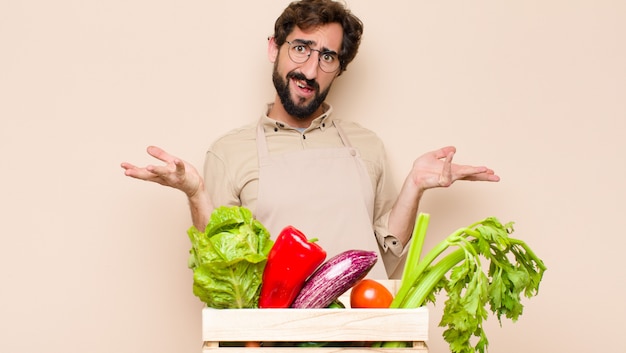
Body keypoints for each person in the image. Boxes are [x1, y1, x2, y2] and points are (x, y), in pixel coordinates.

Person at [121, 0, 500, 278]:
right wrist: (195, 192)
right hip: (271, 343)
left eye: (328, 57)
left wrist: (415, 185)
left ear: (340, 69)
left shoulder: (367, 146)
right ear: (275, 47)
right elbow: (220, 270)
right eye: (300, 48)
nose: (309, 70)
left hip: (361, 337)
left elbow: (383, 260)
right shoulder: (228, 152)